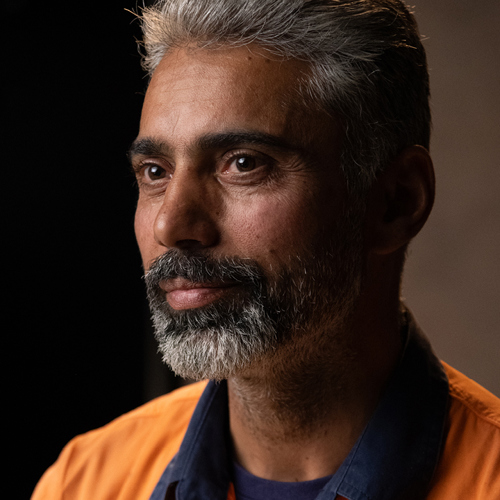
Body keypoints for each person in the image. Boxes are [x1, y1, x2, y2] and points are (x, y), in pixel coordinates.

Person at [32, 0, 500, 499]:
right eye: (155, 172)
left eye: (243, 163)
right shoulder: (85, 482)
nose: (171, 224)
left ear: (396, 202)